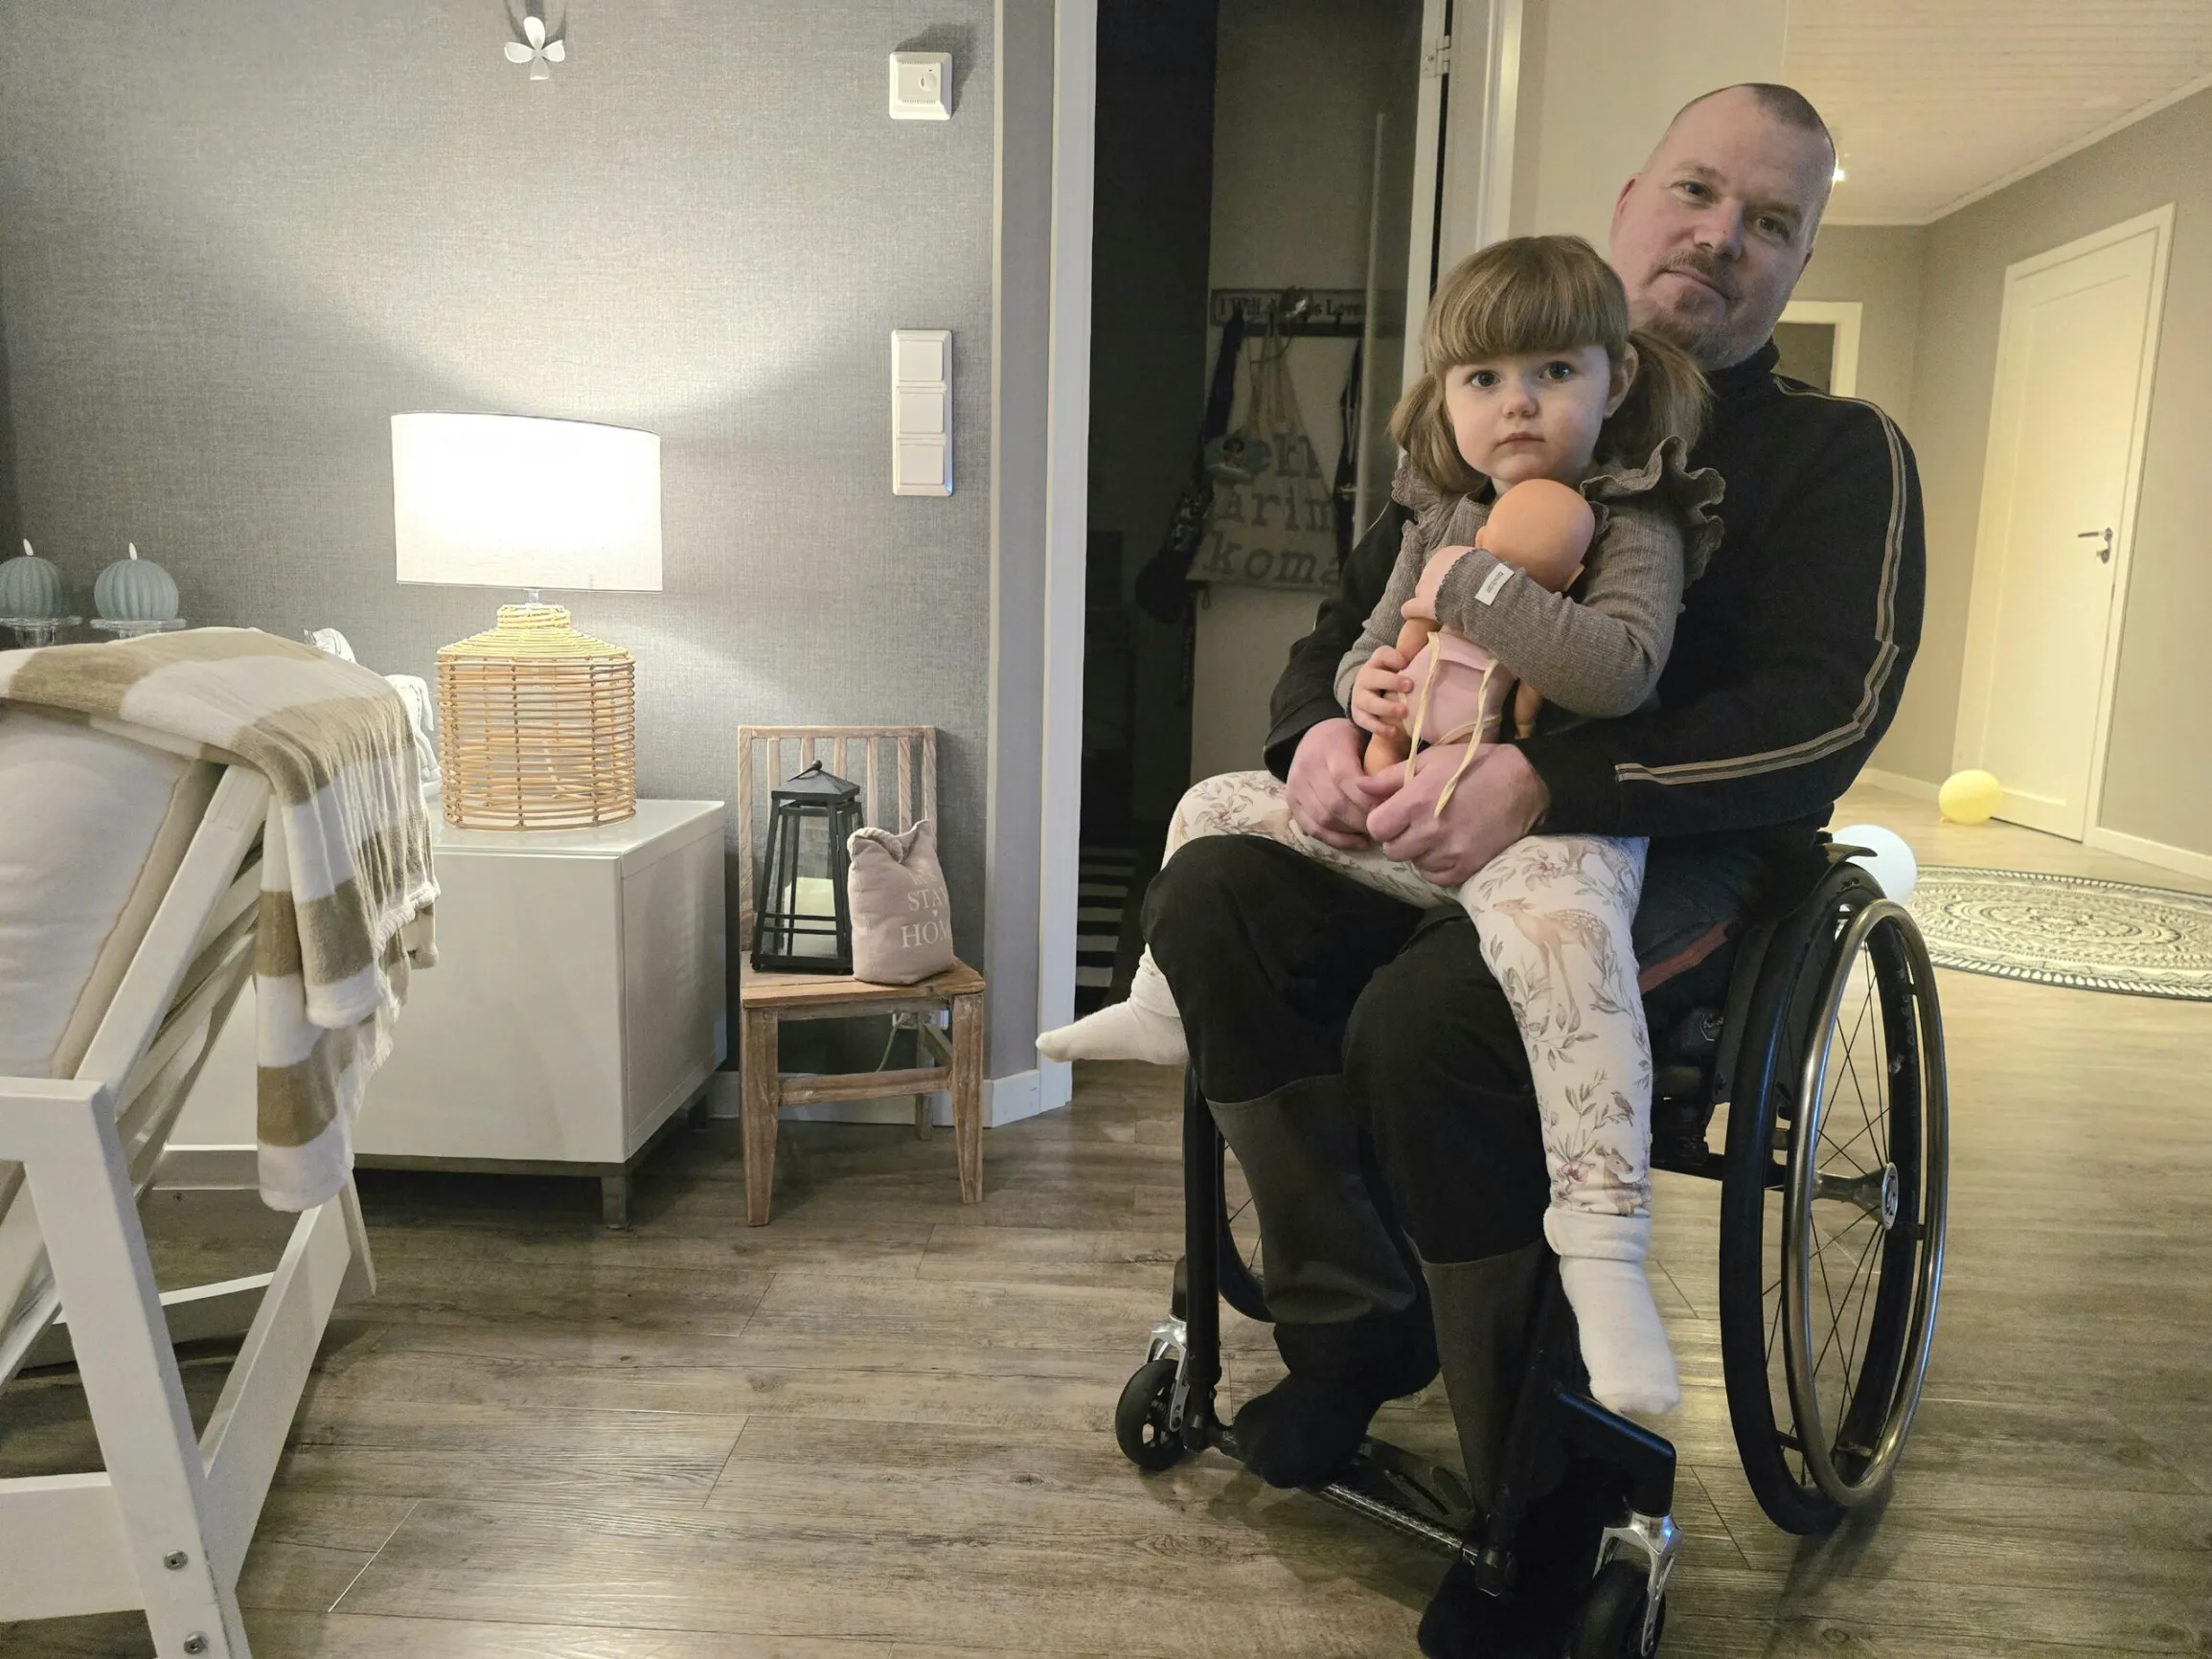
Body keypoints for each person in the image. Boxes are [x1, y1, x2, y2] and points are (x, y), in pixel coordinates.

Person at [1138, 84, 1925, 1659]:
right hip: (1421, 806)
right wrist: (1315, 732)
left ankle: (1541, 1478)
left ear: (1798, 259)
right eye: (1696, 192)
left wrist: (1547, 778)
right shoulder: (1493, 408)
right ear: (1629, 201)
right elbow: (1350, 625)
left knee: (1437, 1022)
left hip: (1680, 859)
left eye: (1771, 221)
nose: (1722, 235)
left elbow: (1823, 718)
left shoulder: (1837, 455)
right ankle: (1353, 1329)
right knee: (1212, 896)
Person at [1041, 234, 1722, 1416]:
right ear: (1444, 398)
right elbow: (1364, 642)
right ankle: (1160, 1007)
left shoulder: (1632, 518)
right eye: (1483, 378)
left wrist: (1473, 586)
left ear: (1614, 380)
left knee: (1573, 972)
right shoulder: (1436, 509)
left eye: (1553, 372)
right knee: (1208, 809)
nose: (1516, 403)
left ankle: (1605, 1257)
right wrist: (1357, 701)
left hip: (1542, 846)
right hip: (1404, 809)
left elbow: (1617, 670)